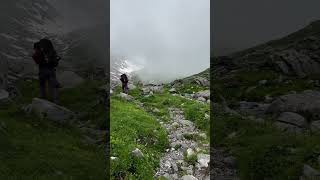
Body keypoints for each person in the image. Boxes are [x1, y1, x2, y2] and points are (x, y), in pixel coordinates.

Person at [32, 38, 61, 104]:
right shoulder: (51, 51)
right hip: (51, 69)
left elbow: (37, 60)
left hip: (42, 70)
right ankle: (56, 101)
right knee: (53, 85)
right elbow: (55, 62)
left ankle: (43, 98)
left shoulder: (39, 50)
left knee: (42, 85)